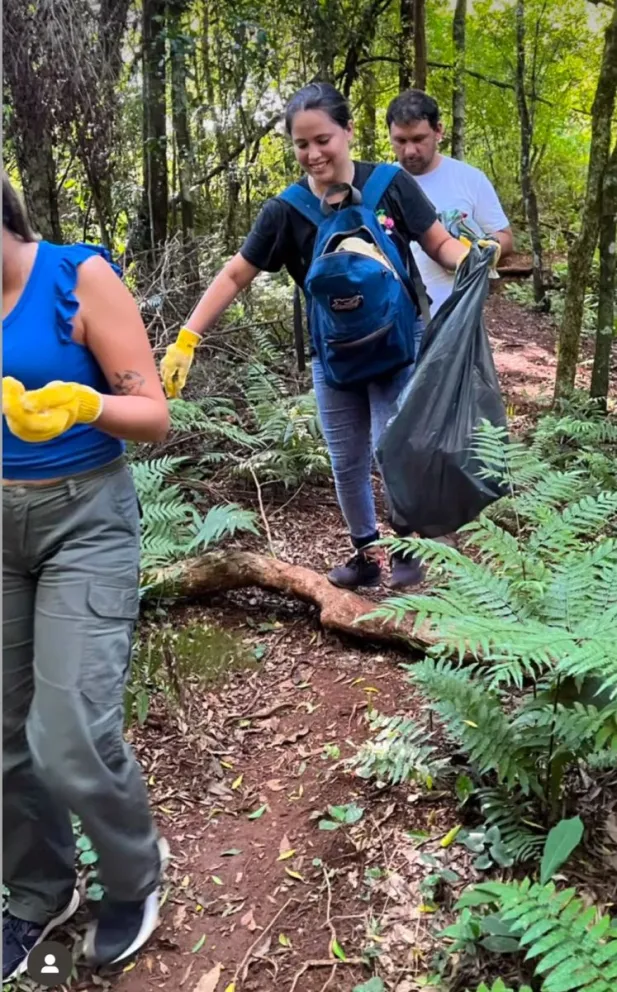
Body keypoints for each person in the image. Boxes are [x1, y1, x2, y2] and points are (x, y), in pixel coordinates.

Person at [161, 82, 469, 591]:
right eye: (301, 144)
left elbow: (439, 245)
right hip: (335, 354)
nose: (313, 153)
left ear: (347, 131)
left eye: (322, 139)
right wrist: (187, 337)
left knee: (388, 446)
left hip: (399, 340)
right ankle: (366, 554)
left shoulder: (390, 184)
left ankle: (409, 544)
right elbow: (236, 273)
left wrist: (474, 261)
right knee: (345, 458)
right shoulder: (287, 210)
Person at [2, 175, 170, 980]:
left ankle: (135, 878)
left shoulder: (75, 275)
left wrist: (83, 401)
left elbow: (154, 415)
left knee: (67, 735)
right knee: (3, 739)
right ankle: (40, 893)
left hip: (84, 519)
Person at [387, 89, 513, 316]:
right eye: (400, 141)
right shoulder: (381, 184)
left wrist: (487, 249)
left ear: (438, 131)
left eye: (418, 139)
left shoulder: (469, 179)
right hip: (395, 319)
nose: (410, 151)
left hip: (457, 317)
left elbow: (505, 236)